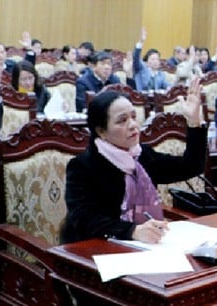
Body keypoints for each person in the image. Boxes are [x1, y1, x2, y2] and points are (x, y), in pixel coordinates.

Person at [61, 81, 206, 244]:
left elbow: (191, 166)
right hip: (94, 248)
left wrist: (194, 123)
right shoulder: (83, 166)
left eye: (133, 117)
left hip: (142, 246)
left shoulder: (141, 155)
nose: (133, 125)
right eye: (122, 121)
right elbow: (83, 220)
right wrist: (132, 231)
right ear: (101, 131)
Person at [131, 27, 169, 92]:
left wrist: (169, 88)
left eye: (157, 59)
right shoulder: (141, 69)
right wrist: (141, 41)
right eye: (153, 59)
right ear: (147, 62)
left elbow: (167, 85)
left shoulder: (161, 75)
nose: (155, 61)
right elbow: (136, 57)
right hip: (140, 98)